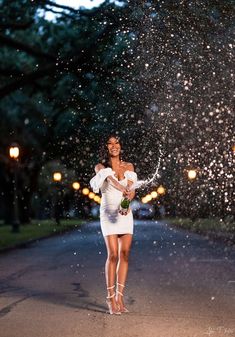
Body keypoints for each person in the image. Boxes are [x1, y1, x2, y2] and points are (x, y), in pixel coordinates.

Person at [90, 135, 137, 315]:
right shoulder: (100, 167)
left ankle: (120, 296)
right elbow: (110, 180)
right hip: (109, 212)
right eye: (110, 143)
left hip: (125, 213)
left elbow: (131, 191)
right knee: (113, 254)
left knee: (125, 254)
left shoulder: (129, 166)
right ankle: (110, 297)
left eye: (116, 142)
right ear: (106, 147)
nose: (114, 146)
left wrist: (127, 201)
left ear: (121, 145)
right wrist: (122, 189)